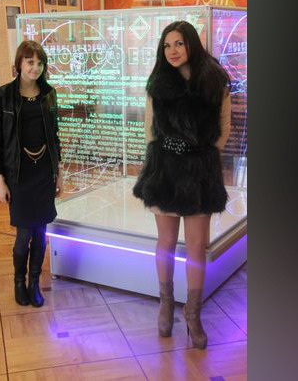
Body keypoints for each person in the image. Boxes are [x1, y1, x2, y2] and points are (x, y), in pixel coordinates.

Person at [132, 21, 231, 349]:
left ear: (191, 44)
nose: (172, 51)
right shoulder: (158, 84)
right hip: (165, 171)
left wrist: (200, 157)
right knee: (166, 242)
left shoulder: (214, 82)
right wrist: (168, 156)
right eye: (166, 45)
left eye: (178, 43)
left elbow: (224, 128)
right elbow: (150, 130)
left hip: (200, 171)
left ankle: (192, 313)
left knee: (197, 246)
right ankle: (165, 304)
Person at [0, 40, 64, 308]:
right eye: (30, 62)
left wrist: (59, 173)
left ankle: (34, 283)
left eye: (40, 63)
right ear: (19, 63)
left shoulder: (49, 94)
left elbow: (54, 136)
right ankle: (19, 281)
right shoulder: (3, 96)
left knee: (40, 233)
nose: (35, 67)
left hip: (43, 173)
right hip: (17, 175)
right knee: (23, 236)